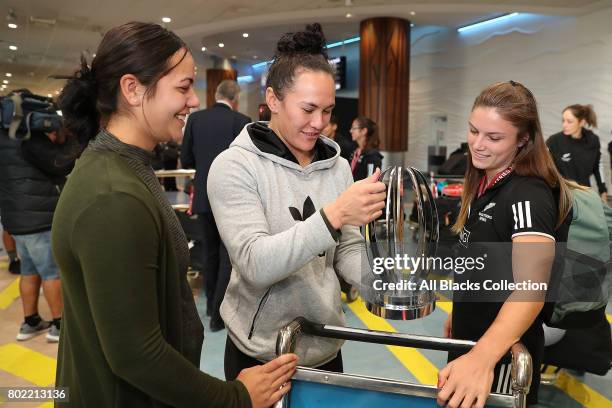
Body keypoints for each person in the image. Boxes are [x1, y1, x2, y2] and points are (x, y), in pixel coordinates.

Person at [52, 22, 296, 408]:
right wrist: (236, 397)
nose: (194, 101)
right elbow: (137, 355)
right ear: (132, 89)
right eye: (182, 87)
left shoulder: (125, 167)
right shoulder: (114, 196)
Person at [207, 23, 386, 380]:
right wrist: (333, 215)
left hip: (325, 346)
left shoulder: (336, 168)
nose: (319, 123)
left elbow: (347, 250)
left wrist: (384, 285)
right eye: (308, 109)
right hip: (260, 354)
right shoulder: (235, 166)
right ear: (272, 100)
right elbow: (255, 263)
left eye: (328, 111)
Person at [438, 81, 574, 407]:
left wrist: (482, 357)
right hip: (473, 339)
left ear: (523, 139)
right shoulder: (486, 181)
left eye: (494, 137)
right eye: (474, 131)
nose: (478, 145)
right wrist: (462, 308)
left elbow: (531, 289)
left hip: (502, 354)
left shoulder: (529, 194)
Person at [181, 79, 251, 332]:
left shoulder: (195, 120)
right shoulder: (241, 122)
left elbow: (186, 157)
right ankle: (219, 315)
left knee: (209, 252)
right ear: (235, 98)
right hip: (231, 198)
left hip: (202, 197)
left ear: (217, 95)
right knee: (227, 255)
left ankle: (211, 305)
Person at [0, 93, 69, 343]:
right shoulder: (28, 139)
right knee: (52, 272)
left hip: (16, 220)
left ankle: (30, 322)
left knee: (29, 271)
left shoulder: (4, 137)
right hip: (39, 217)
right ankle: (59, 325)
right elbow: (60, 165)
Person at [547, 104, 607, 201]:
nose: (564, 125)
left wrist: (603, 191)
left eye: (569, 121)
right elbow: (545, 169)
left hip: (585, 195)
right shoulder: (554, 141)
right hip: (562, 197)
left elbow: (598, 166)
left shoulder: (592, 140)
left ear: (581, 122)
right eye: (563, 121)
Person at [349, 116, 383, 181]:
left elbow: (371, 180)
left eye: (353, 128)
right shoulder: (356, 151)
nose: (350, 131)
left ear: (364, 131)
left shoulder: (372, 156)